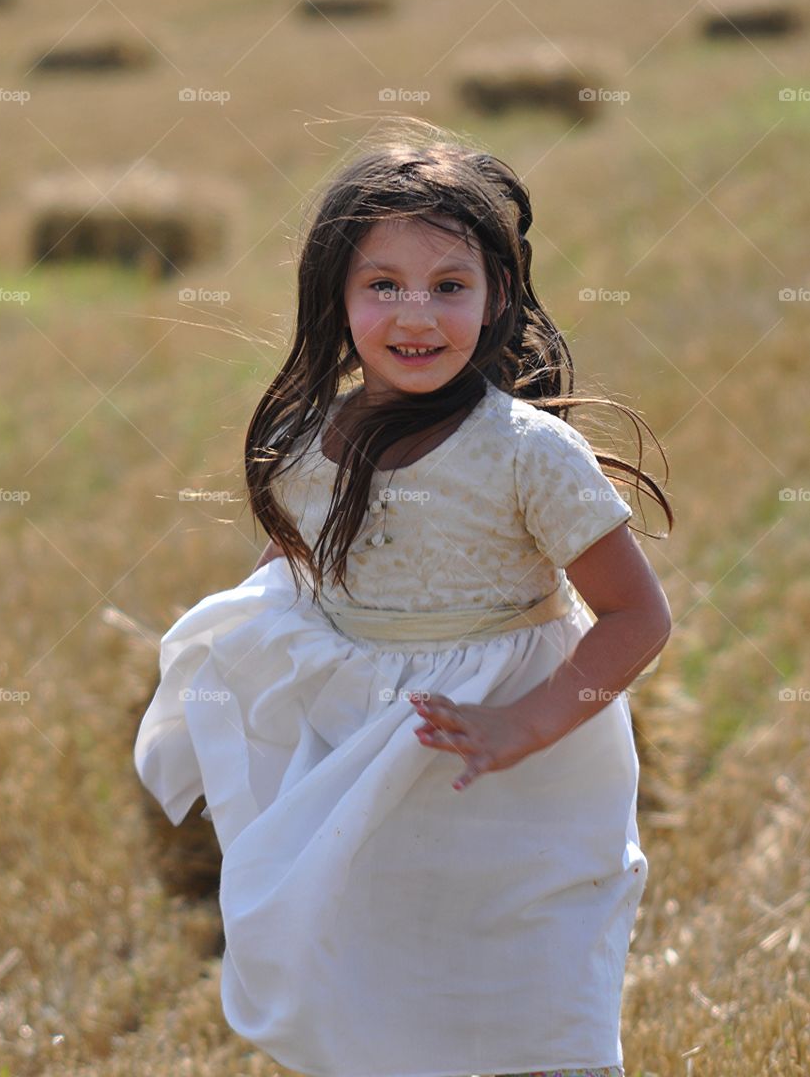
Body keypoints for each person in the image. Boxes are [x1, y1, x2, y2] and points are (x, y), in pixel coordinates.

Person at [134, 123, 674, 1077]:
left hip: (519, 765)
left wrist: (525, 725)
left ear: (496, 297)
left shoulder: (524, 451)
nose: (414, 313)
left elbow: (637, 618)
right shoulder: (306, 439)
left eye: (448, 285)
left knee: (533, 985)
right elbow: (289, 577)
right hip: (363, 753)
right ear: (335, 298)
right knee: (377, 986)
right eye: (382, 284)